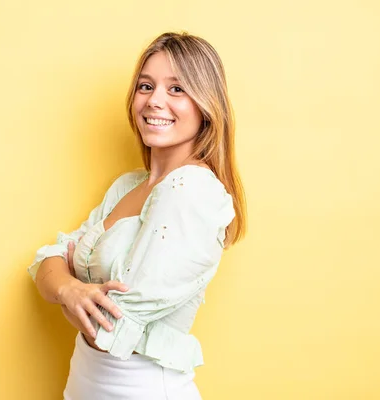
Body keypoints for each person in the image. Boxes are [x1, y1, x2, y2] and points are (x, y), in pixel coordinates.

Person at [27, 31, 247, 400]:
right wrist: (70, 289)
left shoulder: (193, 191)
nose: (154, 101)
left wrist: (68, 289)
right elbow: (47, 259)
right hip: (86, 384)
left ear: (207, 105)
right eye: (146, 86)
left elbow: (107, 327)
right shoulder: (127, 185)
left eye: (176, 89)